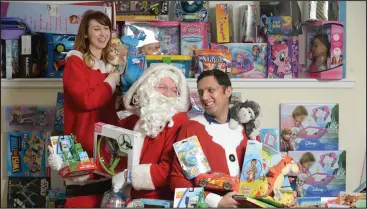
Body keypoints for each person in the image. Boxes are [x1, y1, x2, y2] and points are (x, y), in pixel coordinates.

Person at [48, 10, 124, 208]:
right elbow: (86, 100)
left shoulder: (110, 65)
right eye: (96, 28)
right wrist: (111, 81)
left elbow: (113, 107)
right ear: (86, 33)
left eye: (106, 28)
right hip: (82, 149)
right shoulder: (75, 61)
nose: (102, 34)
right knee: (81, 200)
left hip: (108, 149)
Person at [170, 69, 261, 208]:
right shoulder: (191, 129)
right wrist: (216, 202)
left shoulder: (248, 127)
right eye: (200, 92)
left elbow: (262, 172)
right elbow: (178, 182)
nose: (204, 97)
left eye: (210, 90)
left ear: (228, 91)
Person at [111, 64, 190, 203]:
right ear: (147, 88)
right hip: (127, 197)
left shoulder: (179, 122)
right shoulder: (133, 120)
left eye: (174, 90)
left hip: (159, 201)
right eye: (162, 87)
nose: (168, 93)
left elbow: (168, 170)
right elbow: (113, 155)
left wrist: (128, 177)